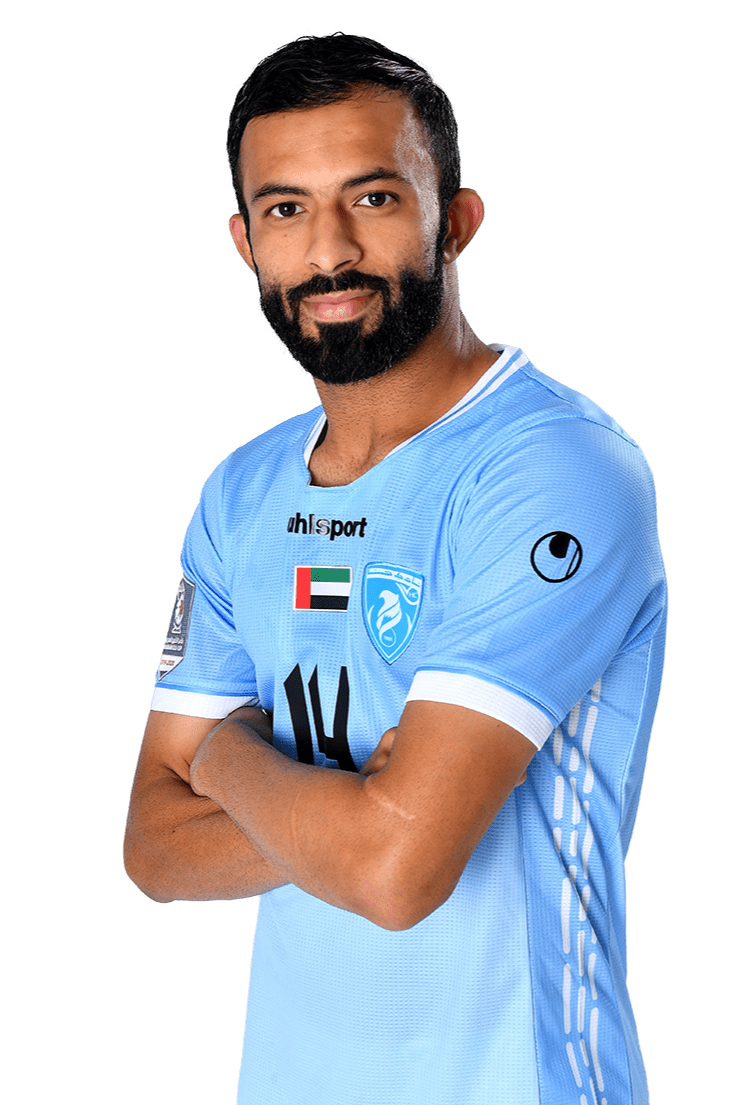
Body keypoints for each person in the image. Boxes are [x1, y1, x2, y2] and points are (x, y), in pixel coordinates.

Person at [123, 31, 667, 1105]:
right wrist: (362, 812)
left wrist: (226, 758)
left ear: (453, 220)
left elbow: (393, 875)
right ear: (245, 243)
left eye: (371, 198)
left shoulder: (554, 467)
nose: (327, 252)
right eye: (285, 209)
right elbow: (152, 845)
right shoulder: (239, 492)